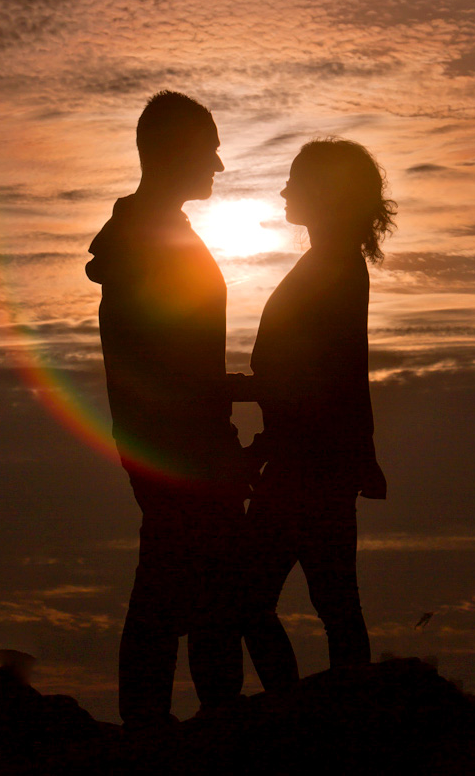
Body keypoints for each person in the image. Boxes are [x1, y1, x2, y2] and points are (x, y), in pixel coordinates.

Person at [86, 91, 248, 727]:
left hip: (184, 447)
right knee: (188, 604)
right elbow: (171, 371)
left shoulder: (152, 236)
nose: (219, 165)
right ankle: (170, 739)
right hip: (183, 454)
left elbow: (182, 368)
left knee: (188, 598)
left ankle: (164, 733)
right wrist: (247, 402)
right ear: (177, 153)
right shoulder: (150, 245)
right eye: (208, 150)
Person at [242, 138, 395, 691]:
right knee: (331, 603)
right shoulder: (331, 265)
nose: (284, 189)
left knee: (254, 600)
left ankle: (304, 709)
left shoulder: (334, 268)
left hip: (306, 464)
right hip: (309, 459)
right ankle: (332, 710)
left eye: (294, 180)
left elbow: (338, 372)